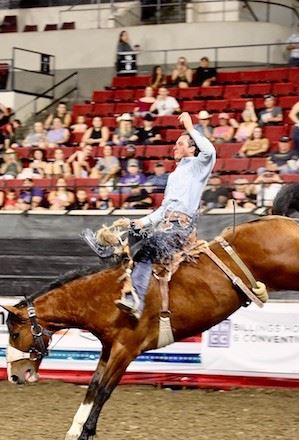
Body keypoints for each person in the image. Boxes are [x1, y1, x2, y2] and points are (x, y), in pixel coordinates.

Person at [87, 112, 217, 319]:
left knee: (144, 249)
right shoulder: (175, 175)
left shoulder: (198, 166)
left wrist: (191, 129)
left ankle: (136, 301)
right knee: (136, 237)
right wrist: (139, 222)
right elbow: (164, 209)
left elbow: (210, 151)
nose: (175, 147)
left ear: (192, 148)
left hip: (180, 229)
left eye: (180, 143)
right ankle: (113, 255)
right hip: (166, 226)